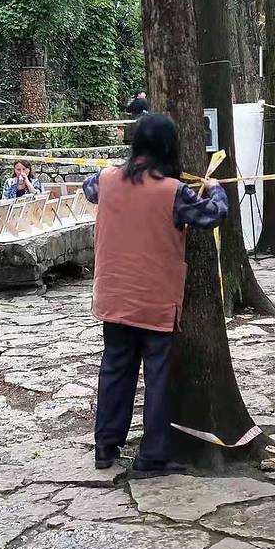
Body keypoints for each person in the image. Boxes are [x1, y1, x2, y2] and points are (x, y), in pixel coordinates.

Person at [82, 112, 228, 477]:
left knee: (115, 371)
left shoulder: (106, 180)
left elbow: (88, 188)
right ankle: (153, 455)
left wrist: (117, 168)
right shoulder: (173, 191)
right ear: (168, 146)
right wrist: (216, 188)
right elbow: (212, 215)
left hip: (114, 296)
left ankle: (105, 446)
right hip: (156, 300)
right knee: (158, 378)